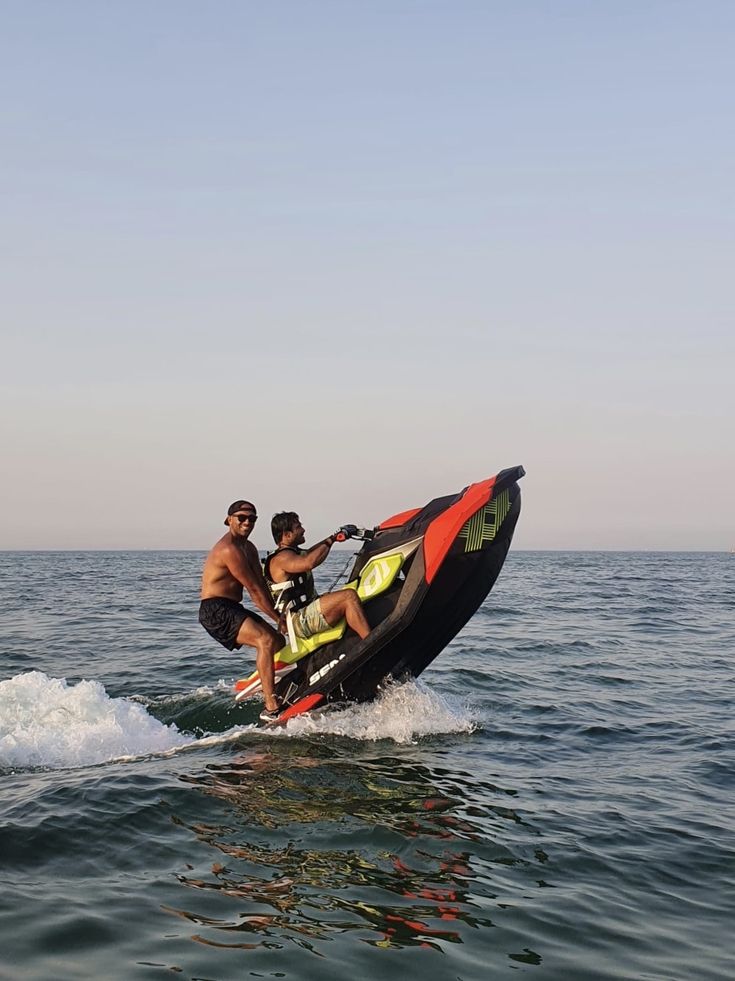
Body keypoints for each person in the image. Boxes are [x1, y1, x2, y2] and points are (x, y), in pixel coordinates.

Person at [199, 500, 286, 722]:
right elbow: (255, 592)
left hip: (232, 607)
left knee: (278, 642)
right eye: (242, 518)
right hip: (215, 609)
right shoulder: (229, 549)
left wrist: (284, 608)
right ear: (229, 520)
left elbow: (262, 584)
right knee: (265, 641)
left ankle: (265, 682)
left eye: (253, 519)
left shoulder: (249, 548)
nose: (247, 522)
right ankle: (270, 705)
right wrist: (279, 619)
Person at [264, 511, 371, 649]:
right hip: (299, 621)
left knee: (350, 591)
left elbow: (310, 553)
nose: (303, 530)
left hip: (306, 612)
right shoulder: (281, 559)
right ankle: (371, 645)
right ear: (287, 534)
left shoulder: (294, 553)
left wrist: (336, 536)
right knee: (348, 597)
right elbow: (309, 562)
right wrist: (331, 539)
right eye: (298, 527)